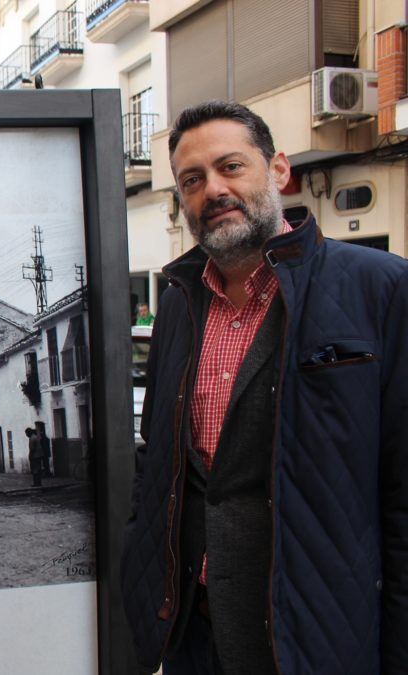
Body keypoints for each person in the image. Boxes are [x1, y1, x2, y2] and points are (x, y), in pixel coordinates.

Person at [121, 101, 408, 675]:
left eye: (231, 167)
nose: (214, 190)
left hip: (314, 638)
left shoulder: (379, 288)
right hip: (194, 637)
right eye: (193, 180)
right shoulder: (178, 305)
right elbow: (161, 461)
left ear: (278, 170)